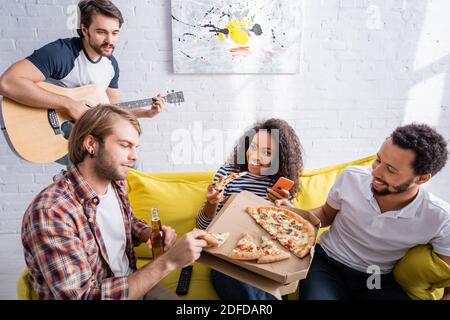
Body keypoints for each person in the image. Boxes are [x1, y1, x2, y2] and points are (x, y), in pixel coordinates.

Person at [21, 104, 208, 299]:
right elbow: (83, 296)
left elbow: (127, 223)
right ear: (91, 144)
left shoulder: (115, 183)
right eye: (125, 145)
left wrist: (148, 234)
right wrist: (168, 262)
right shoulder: (51, 212)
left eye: (135, 147)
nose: (134, 156)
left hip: (133, 285)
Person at [277, 123, 450, 300]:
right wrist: (294, 215)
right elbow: (326, 214)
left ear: (422, 178)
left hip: (376, 276)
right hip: (327, 263)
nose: (376, 172)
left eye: (391, 170)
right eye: (379, 160)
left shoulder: (439, 217)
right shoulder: (352, 177)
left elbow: (446, 274)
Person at [0, 0, 165, 166]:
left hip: (84, 131)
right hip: (48, 130)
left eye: (115, 33)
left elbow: (114, 109)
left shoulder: (110, 65)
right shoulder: (61, 53)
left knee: (130, 161)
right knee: (92, 152)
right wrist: (69, 104)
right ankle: (73, 185)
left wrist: (146, 113)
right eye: (101, 32)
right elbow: (7, 83)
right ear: (85, 30)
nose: (110, 40)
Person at [196, 118, 304, 300]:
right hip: (230, 259)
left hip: (267, 260)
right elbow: (202, 227)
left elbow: (289, 239)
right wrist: (211, 203)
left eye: (267, 152)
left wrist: (287, 210)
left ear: (279, 158)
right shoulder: (227, 174)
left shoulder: (280, 186)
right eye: (253, 147)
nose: (255, 157)